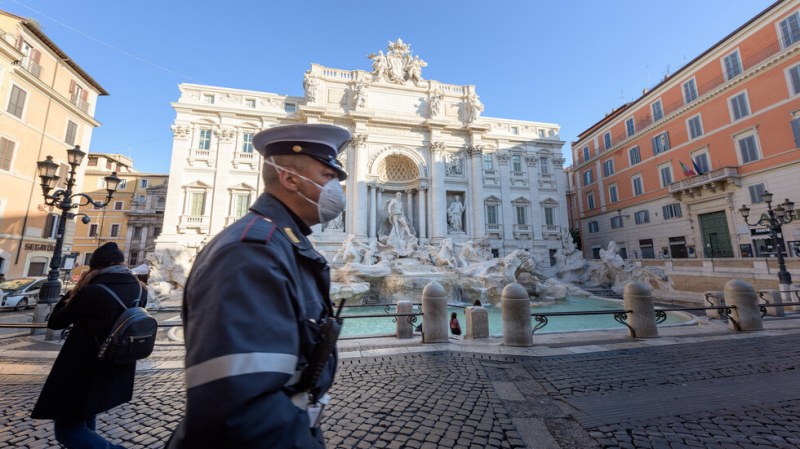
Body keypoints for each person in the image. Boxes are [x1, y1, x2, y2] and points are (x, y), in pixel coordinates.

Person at [166, 123, 351, 448]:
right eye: (328, 176)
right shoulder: (251, 251)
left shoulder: (280, 243)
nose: (337, 188)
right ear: (290, 179)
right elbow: (241, 405)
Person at [31, 242, 147, 449]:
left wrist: (75, 291)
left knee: (67, 431)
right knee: (86, 415)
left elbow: (56, 321)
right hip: (115, 364)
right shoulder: (139, 289)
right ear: (121, 263)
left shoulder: (92, 291)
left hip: (82, 366)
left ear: (95, 267)